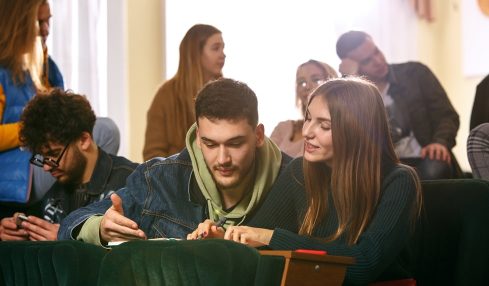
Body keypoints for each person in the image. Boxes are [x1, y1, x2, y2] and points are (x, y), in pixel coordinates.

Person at [189, 78, 422, 284]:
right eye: (308, 118)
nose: (308, 131)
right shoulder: (300, 171)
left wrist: (270, 237)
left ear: (356, 129)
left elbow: (363, 266)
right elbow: (255, 236)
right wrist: (225, 239)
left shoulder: (399, 181)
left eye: (324, 125)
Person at [58, 78, 291, 245]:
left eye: (235, 143)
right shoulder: (158, 178)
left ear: (258, 135)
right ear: (198, 137)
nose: (223, 159)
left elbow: (324, 253)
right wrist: (99, 228)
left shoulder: (295, 179)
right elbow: (71, 223)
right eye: (211, 144)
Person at [0, 89, 137, 241]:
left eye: (54, 154)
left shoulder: (133, 181)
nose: (46, 167)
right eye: (42, 157)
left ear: (84, 140)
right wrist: (19, 233)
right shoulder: (52, 196)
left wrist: (67, 239)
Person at [335, 30, 459, 180]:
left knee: (433, 171)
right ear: (352, 66)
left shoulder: (415, 73)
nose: (378, 61)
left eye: (377, 52)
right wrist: (350, 80)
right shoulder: (354, 96)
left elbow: (446, 115)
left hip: (427, 157)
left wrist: (440, 142)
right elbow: (352, 138)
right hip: (385, 166)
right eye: (367, 61)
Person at [143, 24, 226, 160]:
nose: (223, 55)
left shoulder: (228, 92)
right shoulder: (166, 95)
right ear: (196, 53)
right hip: (177, 176)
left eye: (223, 48)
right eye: (216, 48)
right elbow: (153, 155)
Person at [270, 60, 337, 157]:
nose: (307, 86)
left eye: (316, 80)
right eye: (301, 82)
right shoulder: (283, 128)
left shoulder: (337, 129)